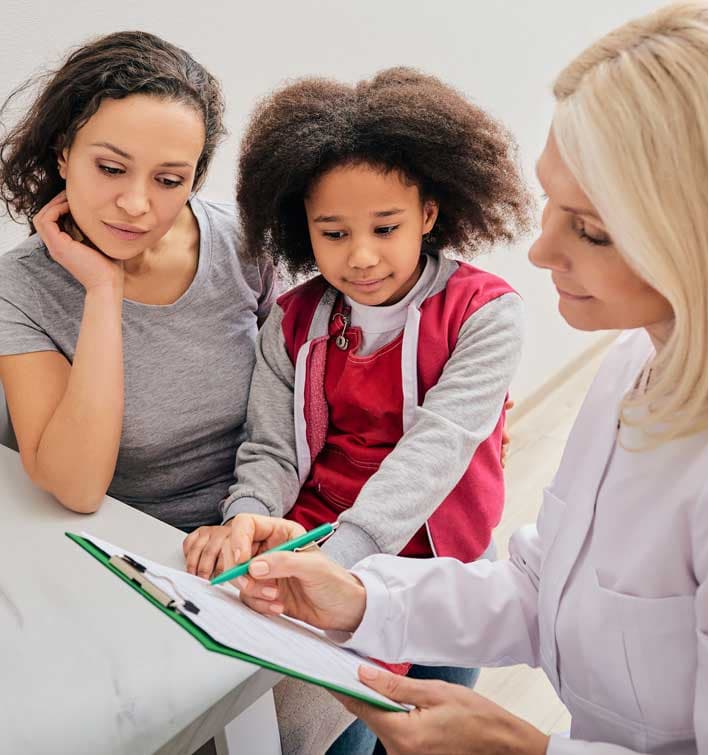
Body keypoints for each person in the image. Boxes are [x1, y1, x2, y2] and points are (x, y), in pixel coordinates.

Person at [219, 2, 708, 753]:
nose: (540, 252)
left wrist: (527, 750)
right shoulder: (634, 366)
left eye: (591, 228)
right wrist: (361, 594)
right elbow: (544, 587)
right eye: (550, 206)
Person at [182, 68, 531, 753]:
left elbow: (437, 450)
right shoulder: (292, 319)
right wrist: (246, 518)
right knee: (340, 735)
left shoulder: (487, 314)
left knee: (436, 729)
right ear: (300, 228)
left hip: (443, 556)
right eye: (333, 233)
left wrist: (341, 560)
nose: (361, 255)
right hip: (315, 549)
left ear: (429, 214)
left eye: (385, 226)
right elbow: (271, 446)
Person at [0, 32, 276, 530]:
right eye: (110, 168)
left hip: (260, 525)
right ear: (63, 154)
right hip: (130, 544)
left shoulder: (242, 242)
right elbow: (78, 487)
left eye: (168, 180)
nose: (135, 204)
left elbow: (292, 408)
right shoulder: (20, 289)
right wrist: (103, 292)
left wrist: (251, 517)